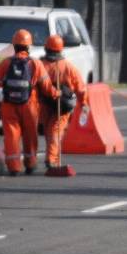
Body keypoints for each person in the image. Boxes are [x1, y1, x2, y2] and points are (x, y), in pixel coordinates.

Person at [0, 29, 51, 175]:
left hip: (9, 105)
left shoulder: (6, 63)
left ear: (14, 45)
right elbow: (46, 86)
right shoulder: (35, 63)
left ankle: (14, 167)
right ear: (29, 46)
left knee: (11, 135)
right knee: (30, 135)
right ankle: (31, 164)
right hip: (30, 105)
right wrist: (58, 94)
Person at [38, 34, 87, 172]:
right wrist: (84, 103)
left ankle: (52, 158)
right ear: (61, 49)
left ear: (46, 48)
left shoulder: (40, 65)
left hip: (44, 104)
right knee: (55, 131)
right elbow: (80, 88)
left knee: (49, 131)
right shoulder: (68, 67)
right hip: (62, 105)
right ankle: (52, 159)